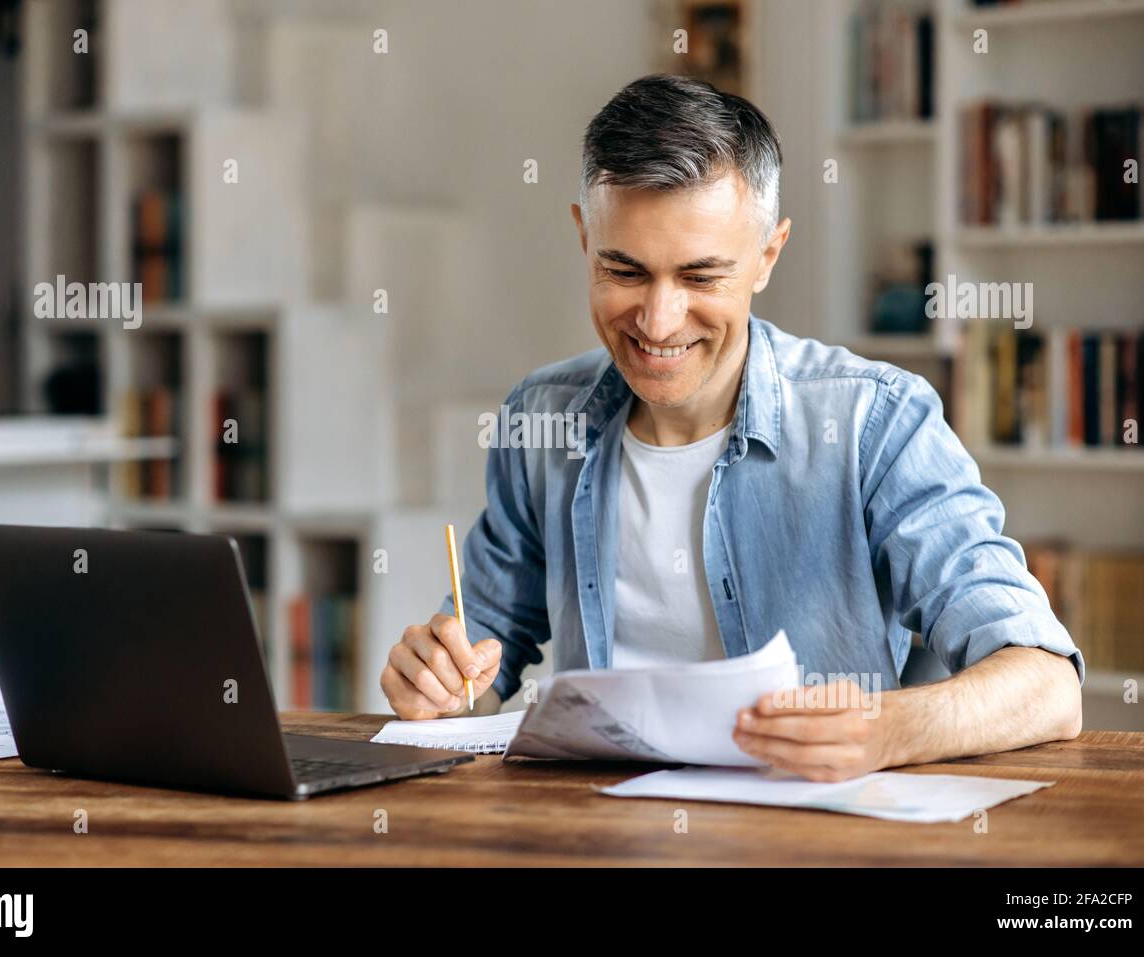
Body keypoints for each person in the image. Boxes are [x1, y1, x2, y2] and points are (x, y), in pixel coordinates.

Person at [380, 74, 1083, 782]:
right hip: (591, 834)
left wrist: (891, 728)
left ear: (767, 257)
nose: (657, 321)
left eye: (701, 277)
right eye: (624, 269)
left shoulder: (878, 422)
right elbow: (481, 668)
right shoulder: (539, 421)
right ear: (583, 238)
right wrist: (441, 685)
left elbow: (1047, 684)